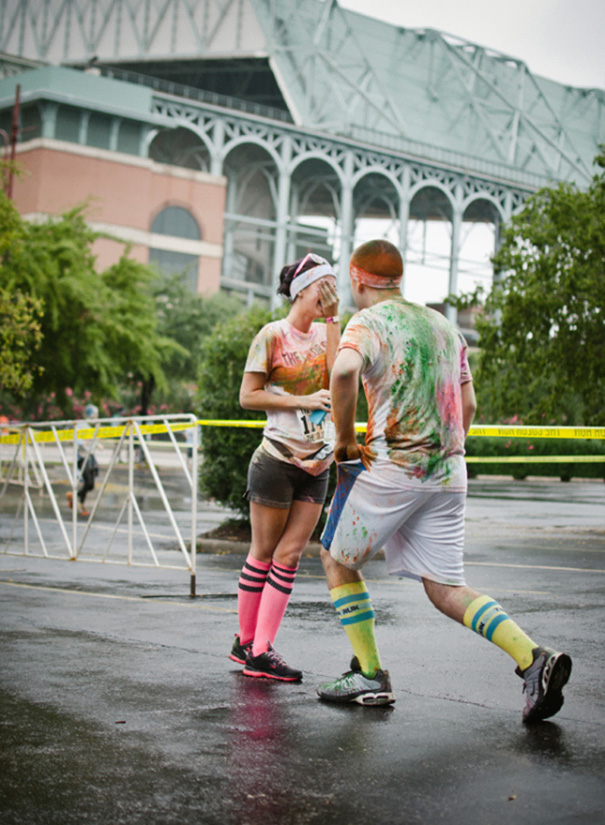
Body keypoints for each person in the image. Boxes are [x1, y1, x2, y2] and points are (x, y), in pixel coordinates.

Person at [316, 239, 572, 724]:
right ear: (398, 278)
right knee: (445, 586)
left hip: (395, 469)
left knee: (335, 557)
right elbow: (468, 406)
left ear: (356, 277)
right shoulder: (445, 326)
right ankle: (533, 659)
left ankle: (370, 674)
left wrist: (346, 441)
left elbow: (344, 371)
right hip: (449, 472)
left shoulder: (367, 323)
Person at [230, 253, 340, 681]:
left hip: (318, 463)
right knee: (262, 553)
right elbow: (248, 396)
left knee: (290, 555)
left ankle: (258, 648)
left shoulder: (325, 332)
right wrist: (300, 400)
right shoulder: (272, 335)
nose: (329, 295)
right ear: (302, 290)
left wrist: (333, 323)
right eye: (323, 287)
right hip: (276, 458)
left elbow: (335, 378)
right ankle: (251, 647)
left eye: (334, 288)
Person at [66, 404, 100, 518]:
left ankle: (77, 500)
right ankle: (78, 501)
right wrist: (83, 443)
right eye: (94, 415)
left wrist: (97, 444)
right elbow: (77, 439)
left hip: (90, 457)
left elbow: (93, 441)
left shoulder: (92, 427)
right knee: (88, 481)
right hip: (81, 457)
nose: (96, 417)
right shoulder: (81, 425)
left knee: (90, 485)